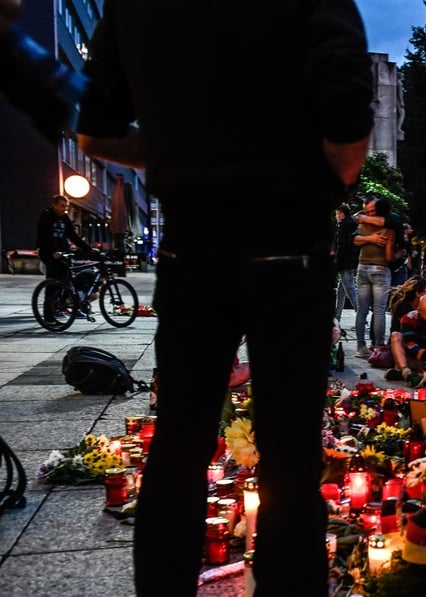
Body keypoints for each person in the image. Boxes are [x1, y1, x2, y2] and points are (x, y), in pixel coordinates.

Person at [75, 2, 373, 595]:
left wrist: (179, 156)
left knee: (180, 443)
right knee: (290, 453)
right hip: (290, 246)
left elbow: (96, 130)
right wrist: (329, 178)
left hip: (194, 248)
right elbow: (345, 105)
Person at [35, 194, 93, 322]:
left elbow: (72, 235)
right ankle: (49, 316)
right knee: (53, 283)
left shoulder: (64, 217)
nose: (64, 209)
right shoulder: (47, 216)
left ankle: (63, 305)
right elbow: (45, 237)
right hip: (49, 253)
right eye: (62, 206)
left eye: (66, 206)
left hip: (63, 252)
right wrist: (53, 251)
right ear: (54, 205)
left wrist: (88, 248)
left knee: (66, 280)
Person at [353, 197, 393, 358]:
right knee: (379, 311)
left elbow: (354, 239)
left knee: (361, 311)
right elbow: (389, 256)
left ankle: (360, 346)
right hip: (380, 268)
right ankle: (378, 348)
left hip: (362, 267)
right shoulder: (388, 227)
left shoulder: (362, 224)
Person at [383, 276, 426, 382]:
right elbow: (407, 334)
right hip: (404, 344)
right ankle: (406, 370)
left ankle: (406, 373)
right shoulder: (402, 306)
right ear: (418, 293)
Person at [333, 204, 359, 322]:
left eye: (337, 214)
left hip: (345, 262)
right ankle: (336, 317)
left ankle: (361, 315)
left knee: (350, 290)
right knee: (341, 291)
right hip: (352, 261)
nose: (336, 216)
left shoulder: (343, 226)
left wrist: (336, 261)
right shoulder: (353, 225)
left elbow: (341, 246)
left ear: (342, 214)